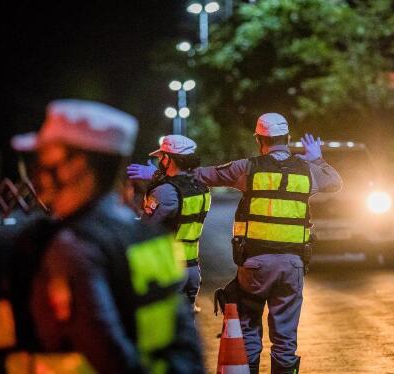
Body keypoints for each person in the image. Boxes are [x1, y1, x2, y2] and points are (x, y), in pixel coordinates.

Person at [0, 99, 205, 373]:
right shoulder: (151, 237)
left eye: (45, 157)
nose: (36, 171)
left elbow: (109, 353)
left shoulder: (71, 246)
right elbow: (188, 345)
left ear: (76, 165)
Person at [128, 113, 342, 374]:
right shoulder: (307, 170)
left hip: (255, 265)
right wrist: (316, 156)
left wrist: (155, 174)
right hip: (293, 265)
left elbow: (200, 176)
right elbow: (335, 182)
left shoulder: (247, 167)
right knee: (285, 339)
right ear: (287, 139)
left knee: (249, 328)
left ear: (259, 139)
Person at [139, 135, 211, 313]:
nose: (159, 162)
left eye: (161, 157)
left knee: (163, 329)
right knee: (185, 327)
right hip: (193, 269)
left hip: (170, 270)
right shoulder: (202, 188)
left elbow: (146, 228)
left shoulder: (165, 191)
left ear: (168, 159)